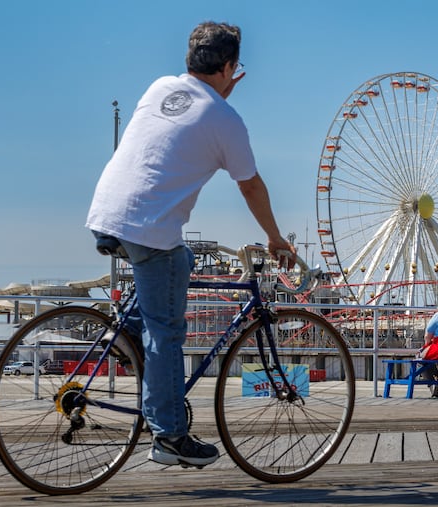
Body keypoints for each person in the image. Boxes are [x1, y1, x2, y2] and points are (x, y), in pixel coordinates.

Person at [85, 21, 296, 468]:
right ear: (229, 66)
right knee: (167, 331)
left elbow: (183, 124)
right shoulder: (225, 120)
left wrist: (218, 97)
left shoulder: (161, 86)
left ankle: (125, 332)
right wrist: (275, 238)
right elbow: (251, 186)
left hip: (106, 212)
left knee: (179, 260)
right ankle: (169, 436)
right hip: (148, 228)